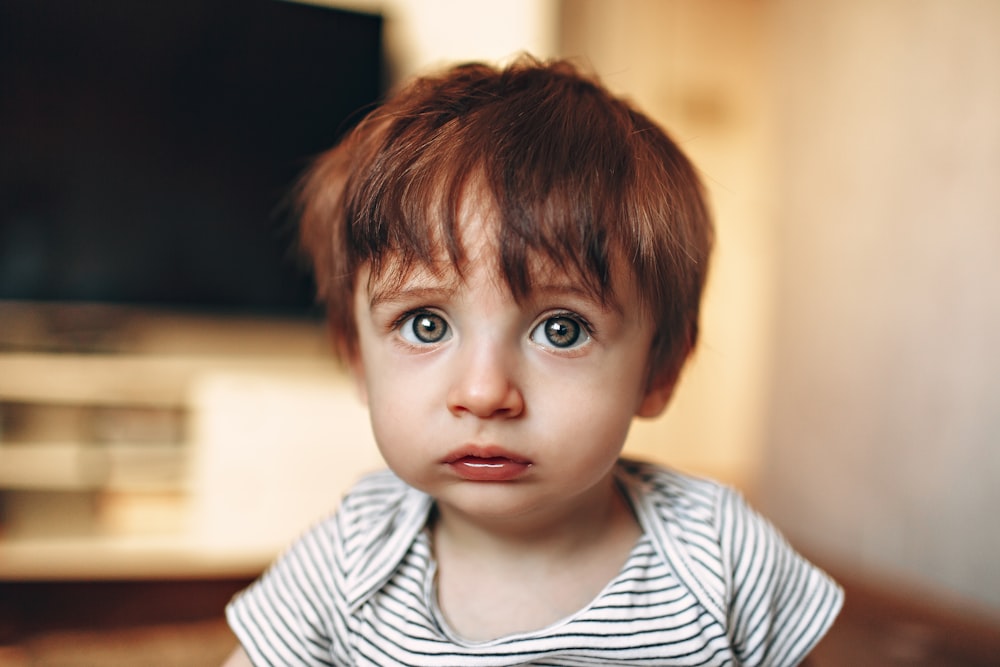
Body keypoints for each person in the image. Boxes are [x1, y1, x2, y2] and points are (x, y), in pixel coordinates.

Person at [223, 55, 842, 666]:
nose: (485, 392)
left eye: (562, 330)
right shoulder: (353, 553)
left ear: (659, 372)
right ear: (356, 358)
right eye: (426, 324)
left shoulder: (720, 554)